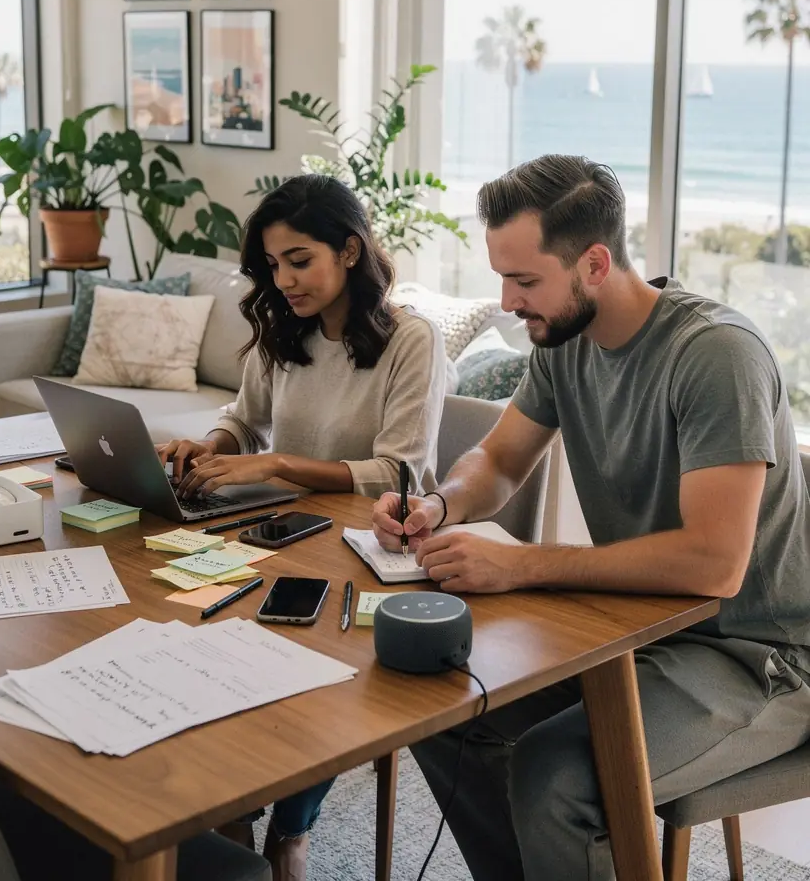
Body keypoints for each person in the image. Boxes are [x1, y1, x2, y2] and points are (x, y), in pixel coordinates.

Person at [372, 154, 810, 881]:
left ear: (596, 264)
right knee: (439, 702)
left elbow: (716, 564)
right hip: (636, 629)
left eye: (524, 280)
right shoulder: (565, 338)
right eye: (501, 277)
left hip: (760, 657)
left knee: (556, 776)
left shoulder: (715, 355)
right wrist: (438, 504)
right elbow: (499, 460)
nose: (508, 301)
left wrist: (524, 565)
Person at [159, 174, 446, 881]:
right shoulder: (284, 329)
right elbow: (242, 419)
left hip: (367, 549)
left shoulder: (411, 339)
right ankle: (233, 809)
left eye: (299, 260)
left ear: (349, 251)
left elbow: (400, 471)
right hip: (281, 538)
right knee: (201, 639)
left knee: (316, 668)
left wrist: (278, 463)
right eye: (272, 265)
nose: (283, 280)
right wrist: (211, 448)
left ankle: (290, 829)